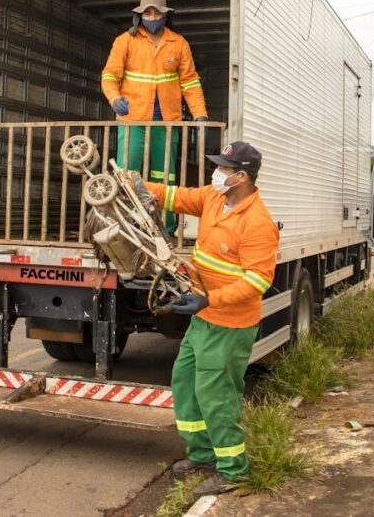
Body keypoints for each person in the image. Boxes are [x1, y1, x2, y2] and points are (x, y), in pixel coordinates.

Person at [142, 141, 279, 497]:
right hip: (204, 317)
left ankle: (234, 471)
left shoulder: (257, 222)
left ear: (241, 177)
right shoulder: (215, 198)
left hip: (229, 323)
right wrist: (136, 184)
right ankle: (202, 454)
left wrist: (209, 299)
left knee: (217, 395)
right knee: (185, 382)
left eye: (224, 168)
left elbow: (258, 281)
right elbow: (177, 196)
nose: (216, 173)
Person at [101, 0, 208, 229]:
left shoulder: (178, 43)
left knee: (165, 175)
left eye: (156, 12)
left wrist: (200, 114)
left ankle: (165, 226)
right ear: (139, 16)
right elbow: (109, 75)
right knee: (127, 172)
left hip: (167, 121)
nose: (152, 17)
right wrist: (114, 97)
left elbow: (190, 82)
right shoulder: (125, 41)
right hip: (132, 118)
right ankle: (125, 223)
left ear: (165, 15)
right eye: (147, 13)